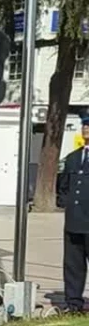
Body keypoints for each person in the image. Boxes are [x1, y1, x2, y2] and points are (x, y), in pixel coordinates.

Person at [58, 117, 89, 313]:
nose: (86, 128)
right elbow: (63, 187)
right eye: (85, 125)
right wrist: (66, 204)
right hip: (74, 221)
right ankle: (74, 304)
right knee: (73, 265)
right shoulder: (72, 157)